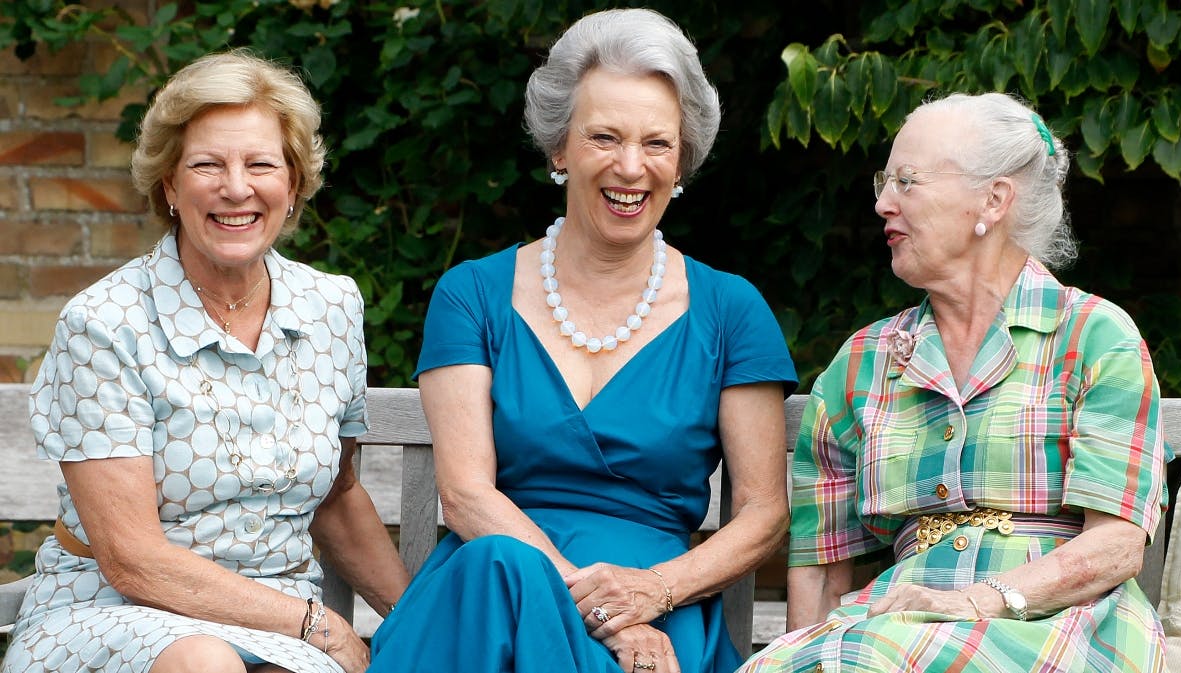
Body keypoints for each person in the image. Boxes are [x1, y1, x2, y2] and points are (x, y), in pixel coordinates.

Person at [367, 8, 797, 673]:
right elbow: (466, 496)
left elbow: (764, 515)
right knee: (497, 564)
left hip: (652, 604)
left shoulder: (731, 311)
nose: (631, 167)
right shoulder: (471, 295)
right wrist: (594, 606)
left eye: (656, 143)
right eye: (604, 137)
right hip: (486, 601)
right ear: (560, 148)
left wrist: (653, 591)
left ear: (681, 159)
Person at [1, 50, 408, 673]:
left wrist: (418, 627)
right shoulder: (104, 324)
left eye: (262, 164)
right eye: (207, 165)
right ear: (170, 184)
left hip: (279, 620)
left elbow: (337, 498)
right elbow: (132, 558)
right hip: (111, 612)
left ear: (292, 184)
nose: (236, 188)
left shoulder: (331, 307)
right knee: (203, 662)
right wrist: (315, 624)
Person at [739, 92, 1171, 672]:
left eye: (907, 181)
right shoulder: (862, 364)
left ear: (992, 199)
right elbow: (820, 569)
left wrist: (975, 601)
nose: (883, 204)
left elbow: (1115, 545)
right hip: (894, 635)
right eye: (883, 183)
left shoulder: (1095, 337)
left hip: (1061, 623)